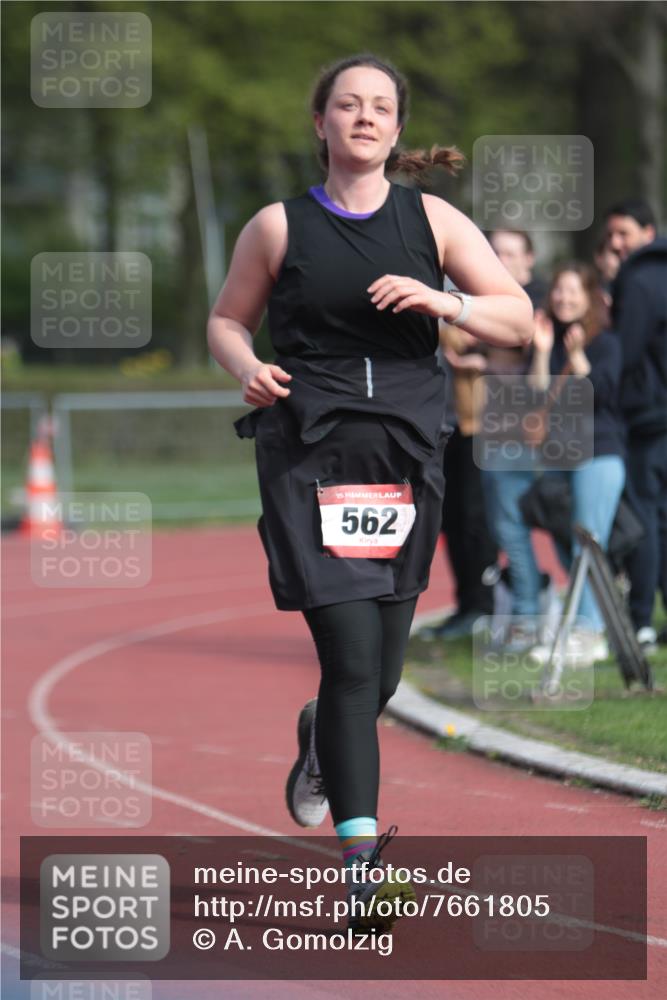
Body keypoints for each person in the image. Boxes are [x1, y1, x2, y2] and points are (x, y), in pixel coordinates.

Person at [207, 53, 532, 933]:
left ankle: (320, 736)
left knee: (379, 675)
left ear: (395, 128)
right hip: (311, 457)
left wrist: (444, 300)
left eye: (379, 106)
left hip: (405, 459)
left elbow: (518, 317)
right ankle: (361, 869)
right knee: (353, 665)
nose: (362, 117)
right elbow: (227, 318)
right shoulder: (277, 226)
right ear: (319, 124)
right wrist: (247, 366)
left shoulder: (431, 219)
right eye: (345, 104)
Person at [526, 263, 626, 666]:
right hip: (559, 454)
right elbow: (534, 395)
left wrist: (579, 355)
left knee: (589, 545)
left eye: (573, 291)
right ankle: (588, 623)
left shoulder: (606, 342)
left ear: (588, 296)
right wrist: (544, 351)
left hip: (598, 453)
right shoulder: (551, 337)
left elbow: (599, 394)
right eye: (559, 291)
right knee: (565, 537)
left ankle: (589, 633)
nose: (563, 298)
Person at [479, 230, 550, 651]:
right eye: (494, 252)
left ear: (529, 259)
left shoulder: (534, 303)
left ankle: (528, 615)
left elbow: (534, 368)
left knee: (513, 528)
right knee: (505, 528)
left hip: (526, 438)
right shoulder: (492, 301)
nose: (501, 260)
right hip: (495, 435)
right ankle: (534, 607)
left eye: (509, 252)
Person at [605, 199, 667, 651]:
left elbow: (624, 352)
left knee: (644, 518)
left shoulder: (641, 279)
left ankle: (641, 619)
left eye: (623, 233)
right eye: (611, 236)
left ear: (649, 232)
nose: (616, 244)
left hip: (650, 418)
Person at [418, 323, 498, 640]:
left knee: (473, 521)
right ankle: (466, 606)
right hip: (439, 431)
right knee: (451, 523)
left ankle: (482, 607)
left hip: (474, 430)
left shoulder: (464, 301)